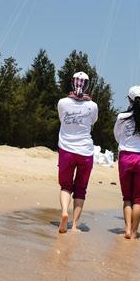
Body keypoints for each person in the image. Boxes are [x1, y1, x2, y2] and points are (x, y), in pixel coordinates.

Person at [56, 72, 98, 233]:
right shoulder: (92, 105)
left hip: (66, 149)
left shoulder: (62, 102)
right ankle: (74, 225)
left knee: (65, 186)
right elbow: (93, 121)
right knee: (81, 189)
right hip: (85, 152)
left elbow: (61, 119)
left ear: (71, 83)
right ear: (87, 85)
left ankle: (65, 212)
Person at [113, 85, 140, 240]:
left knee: (127, 198)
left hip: (125, 156)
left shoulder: (121, 117)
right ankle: (133, 232)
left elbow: (117, 136)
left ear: (129, 99)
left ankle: (126, 228)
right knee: (138, 199)